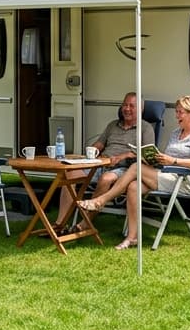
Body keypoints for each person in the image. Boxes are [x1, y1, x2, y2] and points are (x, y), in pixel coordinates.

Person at [78, 94, 190, 250]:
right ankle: (132, 237)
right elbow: (167, 158)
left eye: (180, 112)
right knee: (133, 186)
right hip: (166, 175)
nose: (177, 115)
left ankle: (100, 201)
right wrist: (154, 158)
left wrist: (173, 161)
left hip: (183, 181)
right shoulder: (176, 133)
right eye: (177, 111)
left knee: (135, 167)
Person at [51, 92, 155, 232]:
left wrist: (123, 156)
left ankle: (85, 223)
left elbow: (147, 154)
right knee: (69, 174)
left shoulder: (146, 128)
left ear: (141, 109)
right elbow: (100, 144)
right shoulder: (113, 125)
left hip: (125, 169)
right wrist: (92, 151)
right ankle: (60, 223)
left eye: (131, 106)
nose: (127, 109)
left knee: (105, 179)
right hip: (101, 163)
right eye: (125, 105)